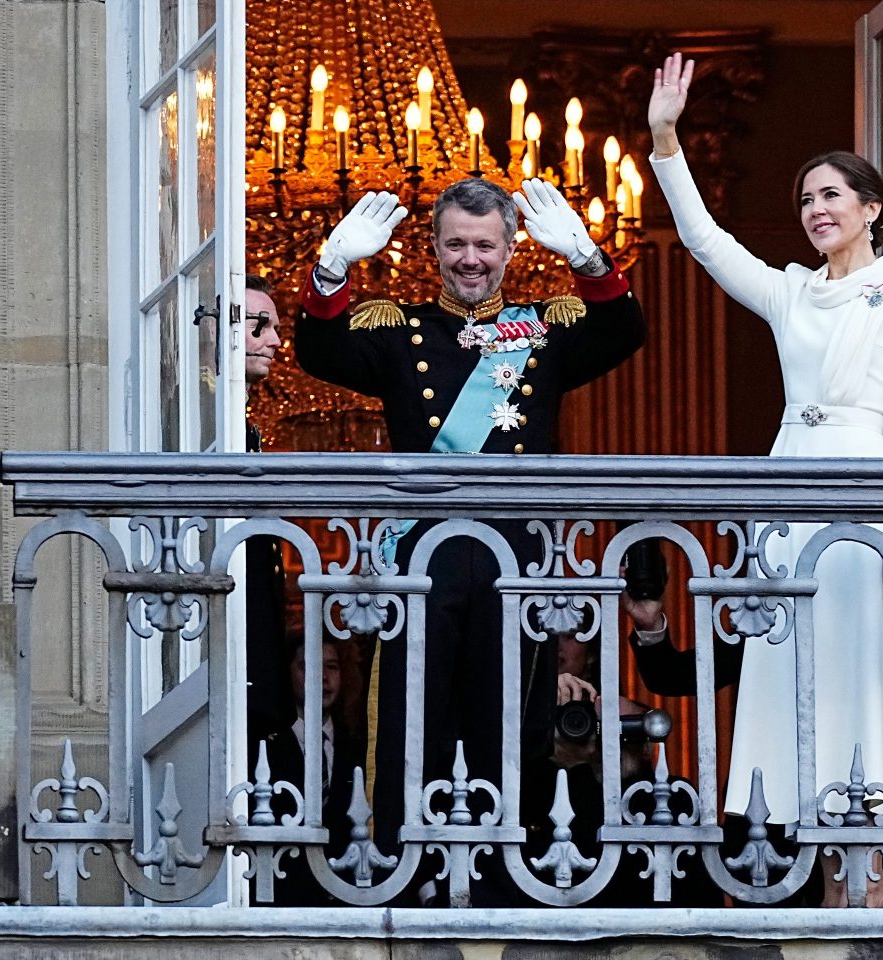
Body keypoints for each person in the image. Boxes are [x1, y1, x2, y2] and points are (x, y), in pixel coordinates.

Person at [646, 52, 883, 907]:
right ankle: (831, 872)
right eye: (805, 198)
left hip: (870, 497)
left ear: (873, 208)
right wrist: (665, 141)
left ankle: (872, 870)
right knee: (796, 681)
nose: (815, 210)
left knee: (867, 678)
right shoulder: (792, 295)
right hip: (789, 502)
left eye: (832, 194)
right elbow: (703, 241)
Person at [293, 176, 646, 903]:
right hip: (425, 563)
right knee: (407, 726)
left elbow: (624, 333)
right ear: (433, 247)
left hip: (515, 563)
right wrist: (333, 266)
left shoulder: (546, 327)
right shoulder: (398, 328)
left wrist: (585, 257)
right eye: (456, 243)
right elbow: (318, 350)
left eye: (485, 244)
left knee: (509, 726)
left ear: (512, 247)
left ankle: (503, 886)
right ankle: (398, 877)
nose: (471, 259)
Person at [250, 635, 360, 906]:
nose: (322, 676)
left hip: (346, 896)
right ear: (288, 672)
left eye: (332, 667)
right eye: (309, 666)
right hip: (282, 895)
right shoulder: (262, 745)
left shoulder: (358, 746)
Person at [242, 275, 293, 746]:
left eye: (274, 327)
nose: (275, 340)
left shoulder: (245, 426)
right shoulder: (193, 418)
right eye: (259, 325)